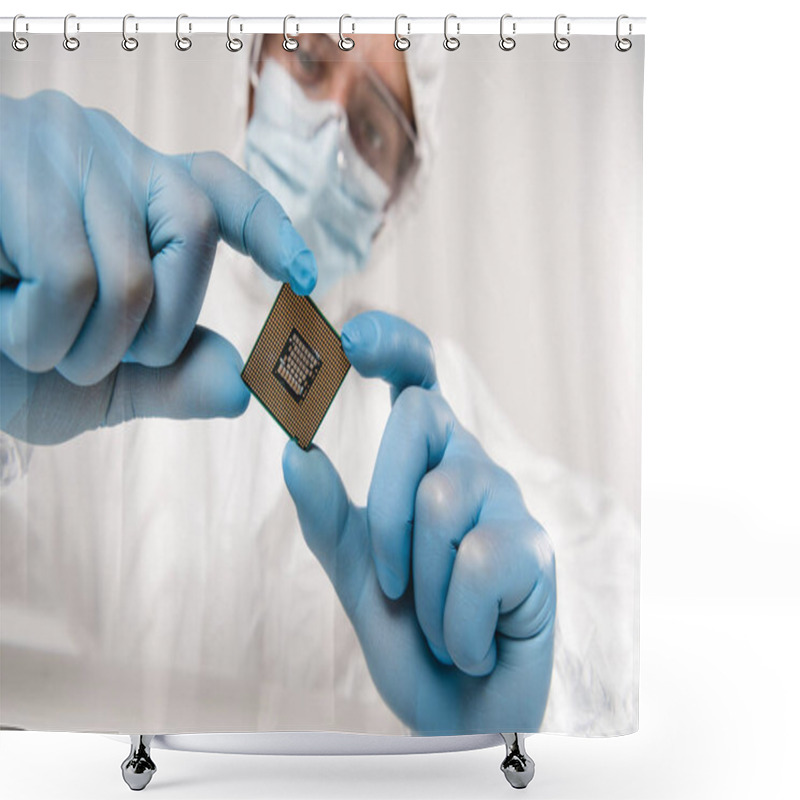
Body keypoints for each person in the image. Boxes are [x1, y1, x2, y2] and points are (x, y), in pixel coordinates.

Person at [0, 34, 635, 736]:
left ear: (395, 199)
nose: (331, 131)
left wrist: (532, 665)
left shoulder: (432, 397)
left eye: (372, 126)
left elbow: (623, 588)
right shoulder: (111, 315)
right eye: (308, 60)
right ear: (252, 76)